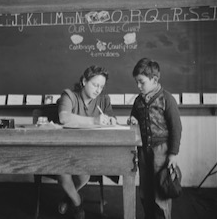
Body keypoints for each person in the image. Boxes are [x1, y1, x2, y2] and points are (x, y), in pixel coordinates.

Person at [57, 65, 117, 219]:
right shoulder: (69, 95)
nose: (98, 90)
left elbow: (113, 119)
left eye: (101, 86)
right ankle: (77, 203)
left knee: (84, 176)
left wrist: (111, 120)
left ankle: (68, 197)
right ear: (84, 81)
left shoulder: (103, 99)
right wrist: (94, 120)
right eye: (95, 85)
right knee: (63, 173)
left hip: (90, 151)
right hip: (65, 150)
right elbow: (64, 118)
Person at [128, 58, 182, 219]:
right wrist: (132, 121)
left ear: (154, 79)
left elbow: (176, 128)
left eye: (141, 82)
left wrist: (173, 154)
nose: (138, 86)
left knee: (161, 190)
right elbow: (133, 118)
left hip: (162, 151)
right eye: (136, 82)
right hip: (144, 150)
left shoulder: (167, 99)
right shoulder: (138, 101)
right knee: (145, 189)